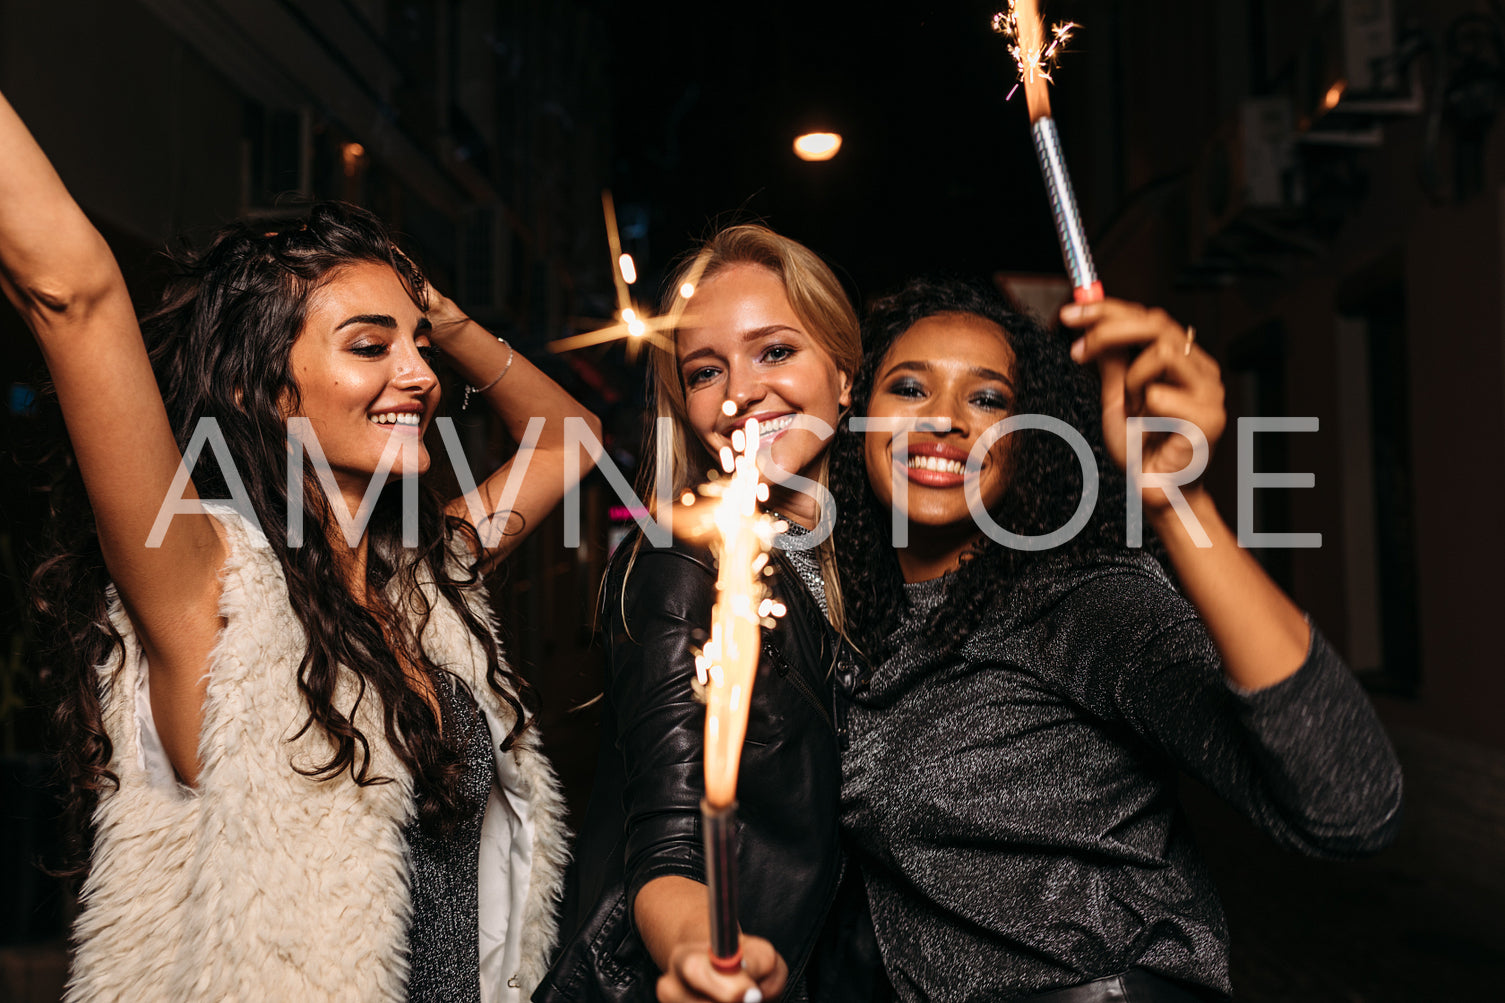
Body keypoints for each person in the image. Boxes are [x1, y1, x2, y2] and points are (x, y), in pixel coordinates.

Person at [0, 88, 598, 1001]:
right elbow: (71, 290)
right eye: (370, 345)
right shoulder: (208, 583)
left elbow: (570, 437)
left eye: (421, 346)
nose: (421, 375)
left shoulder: (426, 580)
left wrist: (422, 300)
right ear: (268, 392)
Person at [829, 277, 1403, 1003]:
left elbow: (1350, 801)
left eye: (987, 398)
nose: (944, 419)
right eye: (908, 387)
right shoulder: (854, 624)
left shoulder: (1079, 599)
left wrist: (1178, 501)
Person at [536, 225, 884, 1003]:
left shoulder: (865, 576)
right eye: (704, 370)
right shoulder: (680, 567)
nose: (739, 393)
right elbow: (667, 844)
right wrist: (703, 951)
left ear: (844, 373)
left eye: (774, 351)